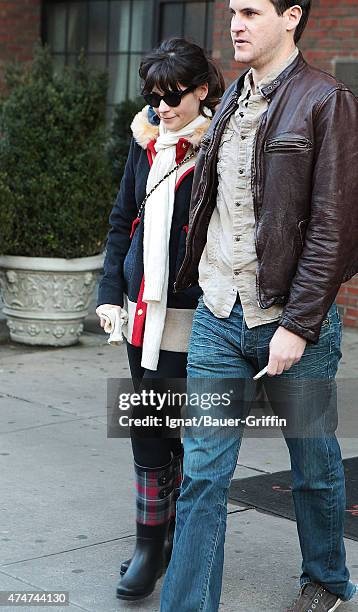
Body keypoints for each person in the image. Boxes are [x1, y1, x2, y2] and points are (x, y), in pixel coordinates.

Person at [160, 2, 358, 611]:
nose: (235, 24)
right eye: (231, 12)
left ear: (292, 16)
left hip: (291, 322)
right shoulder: (229, 103)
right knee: (202, 475)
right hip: (220, 313)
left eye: (250, 10)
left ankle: (326, 578)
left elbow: (336, 225)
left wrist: (298, 324)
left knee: (314, 464)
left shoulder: (327, 101)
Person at [96, 38, 225, 601]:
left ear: (202, 91)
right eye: (155, 97)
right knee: (149, 425)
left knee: (173, 428)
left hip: (190, 313)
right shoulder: (145, 140)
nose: (164, 109)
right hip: (139, 308)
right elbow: (124, 215)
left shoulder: (220, 147)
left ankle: (170, 537)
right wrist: (108, 288)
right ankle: (153, 541)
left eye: (175, 97)